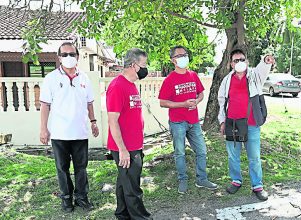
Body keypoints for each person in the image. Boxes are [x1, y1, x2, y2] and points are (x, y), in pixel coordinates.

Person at [39, 42, 99, 212]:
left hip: (80, 132)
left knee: (81, 168)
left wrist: (93, 121)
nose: (68, 58)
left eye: (71, 54)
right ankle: (66, 199)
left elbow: (89, 103)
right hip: (59, 133)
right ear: (59, 58)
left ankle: (82, 197)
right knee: (62, 169)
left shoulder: (84, 78)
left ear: (77, 57)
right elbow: (45, 106)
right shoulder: (51, 78)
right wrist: (43, 128)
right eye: (64, 55)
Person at [158, 45, 218, 194]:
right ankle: (182, 179)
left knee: (202, 151)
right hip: (177, 122)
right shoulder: (169, 80)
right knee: (180, 152)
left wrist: (197, 102)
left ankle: (201, 179)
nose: (184, 57)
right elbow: (163, 102)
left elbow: (201, 94)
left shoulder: (193, 75)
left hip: (194, 121)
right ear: (173, 60)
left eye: (185, 54)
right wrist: (182, 104)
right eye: (179, 56)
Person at [217, 48, 275, 201]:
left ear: (247, 62)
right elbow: (222, 101)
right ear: (231, 64)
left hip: (252, 124)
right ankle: (236, 181)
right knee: (233, 156)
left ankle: (257, 185)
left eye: (242, 59)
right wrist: (222, 121)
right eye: (236, 60)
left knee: (254, 157)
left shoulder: (255, 76)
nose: (239, 63)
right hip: (232, 124)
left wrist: (266, 60)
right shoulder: (226, 80)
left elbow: (263, 68)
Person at [106, 48, 152, 220]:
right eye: (144, 65)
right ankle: (140, 218)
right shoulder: (117, 87)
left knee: (124, 182)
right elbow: (113, 121)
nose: (145, 68)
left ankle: (122, 214)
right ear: (134, 65)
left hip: (134, 144)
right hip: (125, 147)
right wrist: (123, 150)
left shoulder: (131, 85)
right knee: (133, 187)